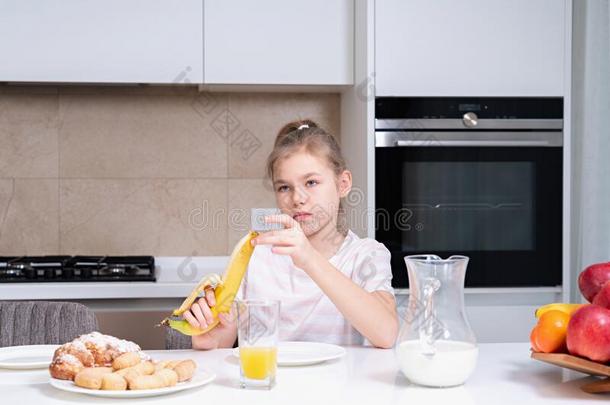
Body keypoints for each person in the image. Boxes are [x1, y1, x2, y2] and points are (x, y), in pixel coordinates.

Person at [183, 119, 398, 349]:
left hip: (339, 384)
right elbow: (222, 343)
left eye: (311, 182)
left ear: (342, 183)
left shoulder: (365, 255)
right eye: (284, 187)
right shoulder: (256, 256)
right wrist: (208, 340)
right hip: (269, 383)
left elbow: (386, 334)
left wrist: (309, 259)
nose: (297, 199)